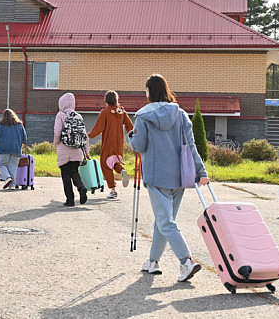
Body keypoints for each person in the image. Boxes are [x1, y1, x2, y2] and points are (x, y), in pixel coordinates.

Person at [129, 74, 208, 282]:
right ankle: (153, 262)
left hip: (156, 177)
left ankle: (187, 261)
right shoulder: (181, 114)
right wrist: (201, 172)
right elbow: (191, 146)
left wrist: (131, 136)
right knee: (163, 221)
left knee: (165, 222)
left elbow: (139, 146)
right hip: (180, 176)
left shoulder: (143, 116)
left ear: (149, 91)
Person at [88, 90, 134, 199]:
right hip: (119, 145)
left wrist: (88, 135)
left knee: (105, 164)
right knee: (114, 163)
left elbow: (98, 129)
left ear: (106, 100)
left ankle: (113, 190)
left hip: (109, 144)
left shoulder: (105, 112)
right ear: (116, 100)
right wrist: (134, 138)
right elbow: (130, 127)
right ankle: (122, 170)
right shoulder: (121, 112)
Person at [53, 93, 89, 206]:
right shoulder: (78, 116)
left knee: (66, 176)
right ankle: (81, 188)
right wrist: (86, 152)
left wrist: (56, 142)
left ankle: (70, 200)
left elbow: (57, 131)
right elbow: (85, 135)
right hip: (77, 150)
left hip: (64, 150)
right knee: (75, 172)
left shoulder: (60, 115)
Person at [0, 108, 27, 190]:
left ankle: (7, 178)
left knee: (0, 164)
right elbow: (24, 137)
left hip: (3, 149)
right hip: (16, 149)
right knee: (12, 167)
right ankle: (12, 185)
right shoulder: (19, 125)